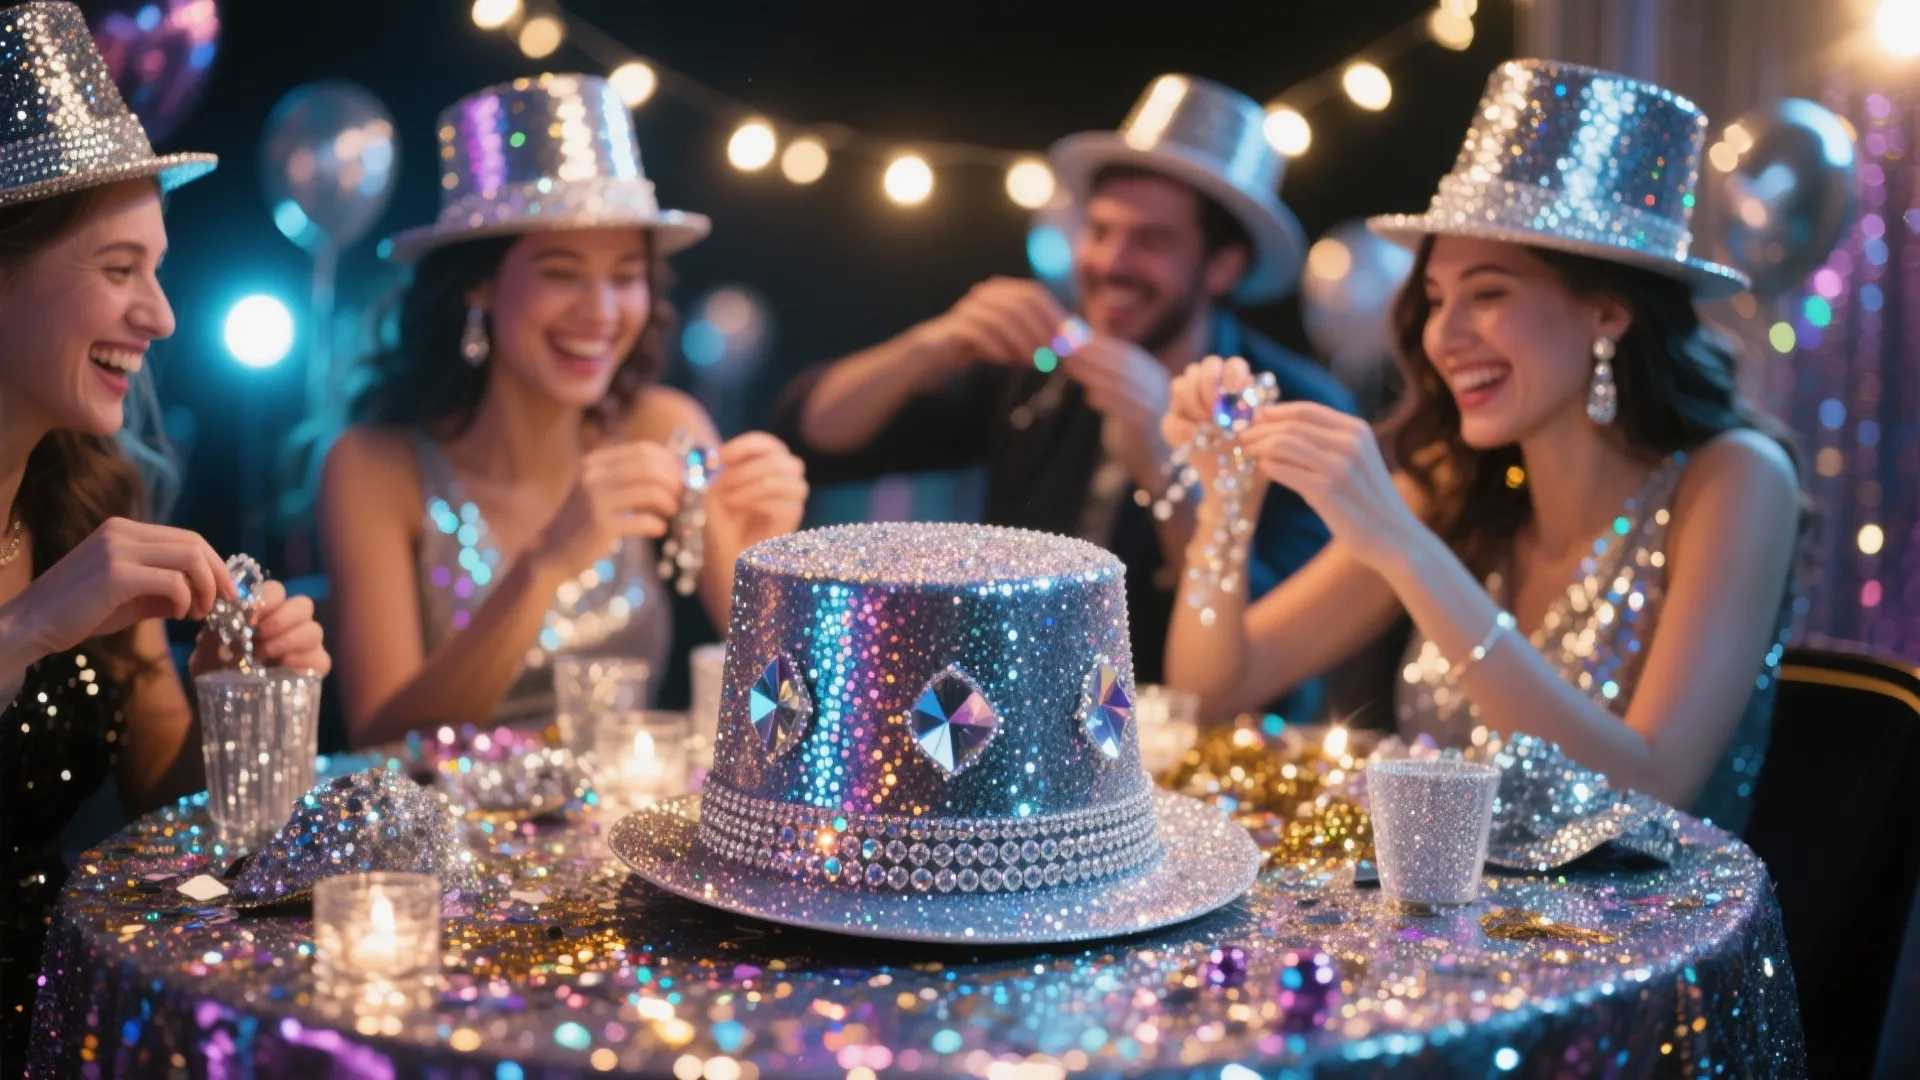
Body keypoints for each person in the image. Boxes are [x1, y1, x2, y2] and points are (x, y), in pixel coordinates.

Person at [1161, 60, 1801, 833]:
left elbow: (1649, 787)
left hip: (1645, 944)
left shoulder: (1733, 481)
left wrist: (1405, 549)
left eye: (1489, 294)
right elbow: (1210, 694)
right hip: (1442, 931)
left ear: (1606, 313)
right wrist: (1226, 504)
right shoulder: (1454, 484)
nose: (1444, 336)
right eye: (1435, 300)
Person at [769, 75, 1354, 713]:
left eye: (1152, 241)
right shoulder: (1041, 363)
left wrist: (1162, 456)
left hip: (1203, 751)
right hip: (1017, 739)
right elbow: (813, 435)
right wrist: (929, 345)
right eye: (1100, 230)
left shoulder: (1293, 405)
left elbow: (1263, 646)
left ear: (1223, 266)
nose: (1110, 261)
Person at [0, 2, 330, 1055]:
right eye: (116, 269)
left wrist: (241, 701)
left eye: (159, 267)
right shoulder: (67, 582)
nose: (162, 314)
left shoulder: (91, 502)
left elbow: (167, 809)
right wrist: (27, 629)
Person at [321, 75, 807, 747]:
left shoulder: (664, 426)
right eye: (561, 272)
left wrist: (774, 573)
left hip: (627, 836)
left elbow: (788, 699)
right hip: (441, 845)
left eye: (625, 276)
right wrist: (545, 564)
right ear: (479, 284)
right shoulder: (374, 465)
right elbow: (378, 736)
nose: (602, 312)